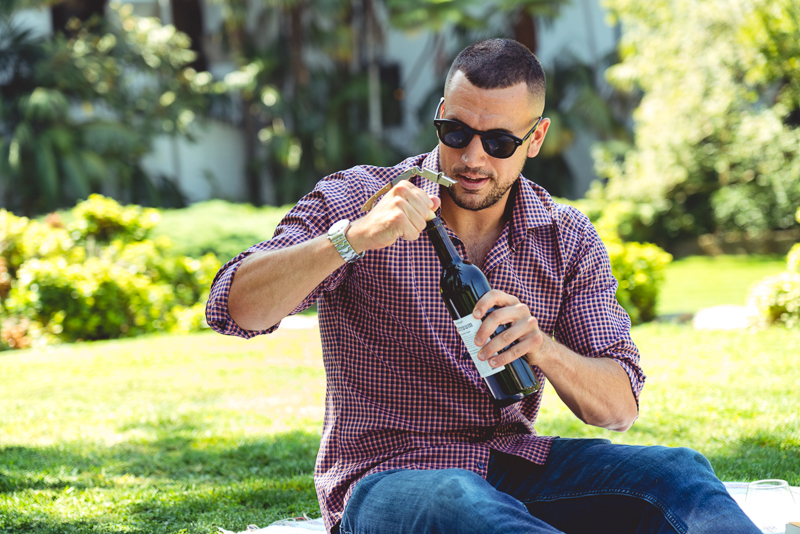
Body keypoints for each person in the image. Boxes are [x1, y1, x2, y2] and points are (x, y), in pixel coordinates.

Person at [207, 39, 759, 534]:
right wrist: (350, 239)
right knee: (458, 501)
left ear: (535, 138)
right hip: (386, 479)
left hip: (512, 463)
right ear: (440, 117)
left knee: (677, 473)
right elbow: (233, 307)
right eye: (456, 134)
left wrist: (541, 348)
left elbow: (618, 407)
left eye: (498, 141)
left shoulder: (563, 236)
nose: (472, 159)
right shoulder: (362, 199)